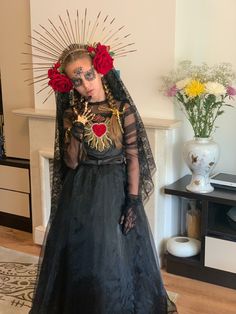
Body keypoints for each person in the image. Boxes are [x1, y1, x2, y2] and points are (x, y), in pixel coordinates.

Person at [28, 10, 178, 314]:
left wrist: (132, 202)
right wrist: (78, 133)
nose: (86, 84)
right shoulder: (72, 114)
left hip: (114, 188)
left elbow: (133, 158)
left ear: (99, 70)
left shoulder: (123, 110)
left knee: (112, 254)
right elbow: (69, 162)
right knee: (84, 254)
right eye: (77, 80)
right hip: (81, 190)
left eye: (88, 75)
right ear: (70, 85)